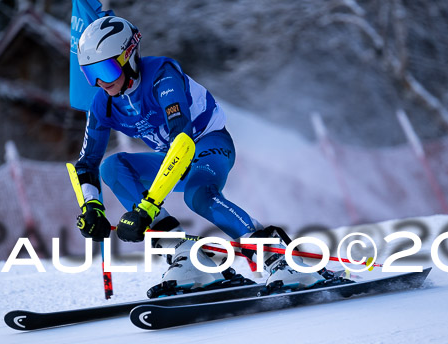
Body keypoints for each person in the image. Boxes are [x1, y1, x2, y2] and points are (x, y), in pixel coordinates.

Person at [73, 15, 326, 295]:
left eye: (106, 71)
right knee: (112, 167)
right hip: (174, 160)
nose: (100, 82)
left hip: (208, 144)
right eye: (90, 74)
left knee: (198, 195)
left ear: (129, 57)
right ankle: (185, 254)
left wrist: (145, 210)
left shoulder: (162, 74)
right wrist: (91, 206)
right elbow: (87, 164)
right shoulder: (102, 105)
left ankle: (277, 256)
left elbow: (182, 141)